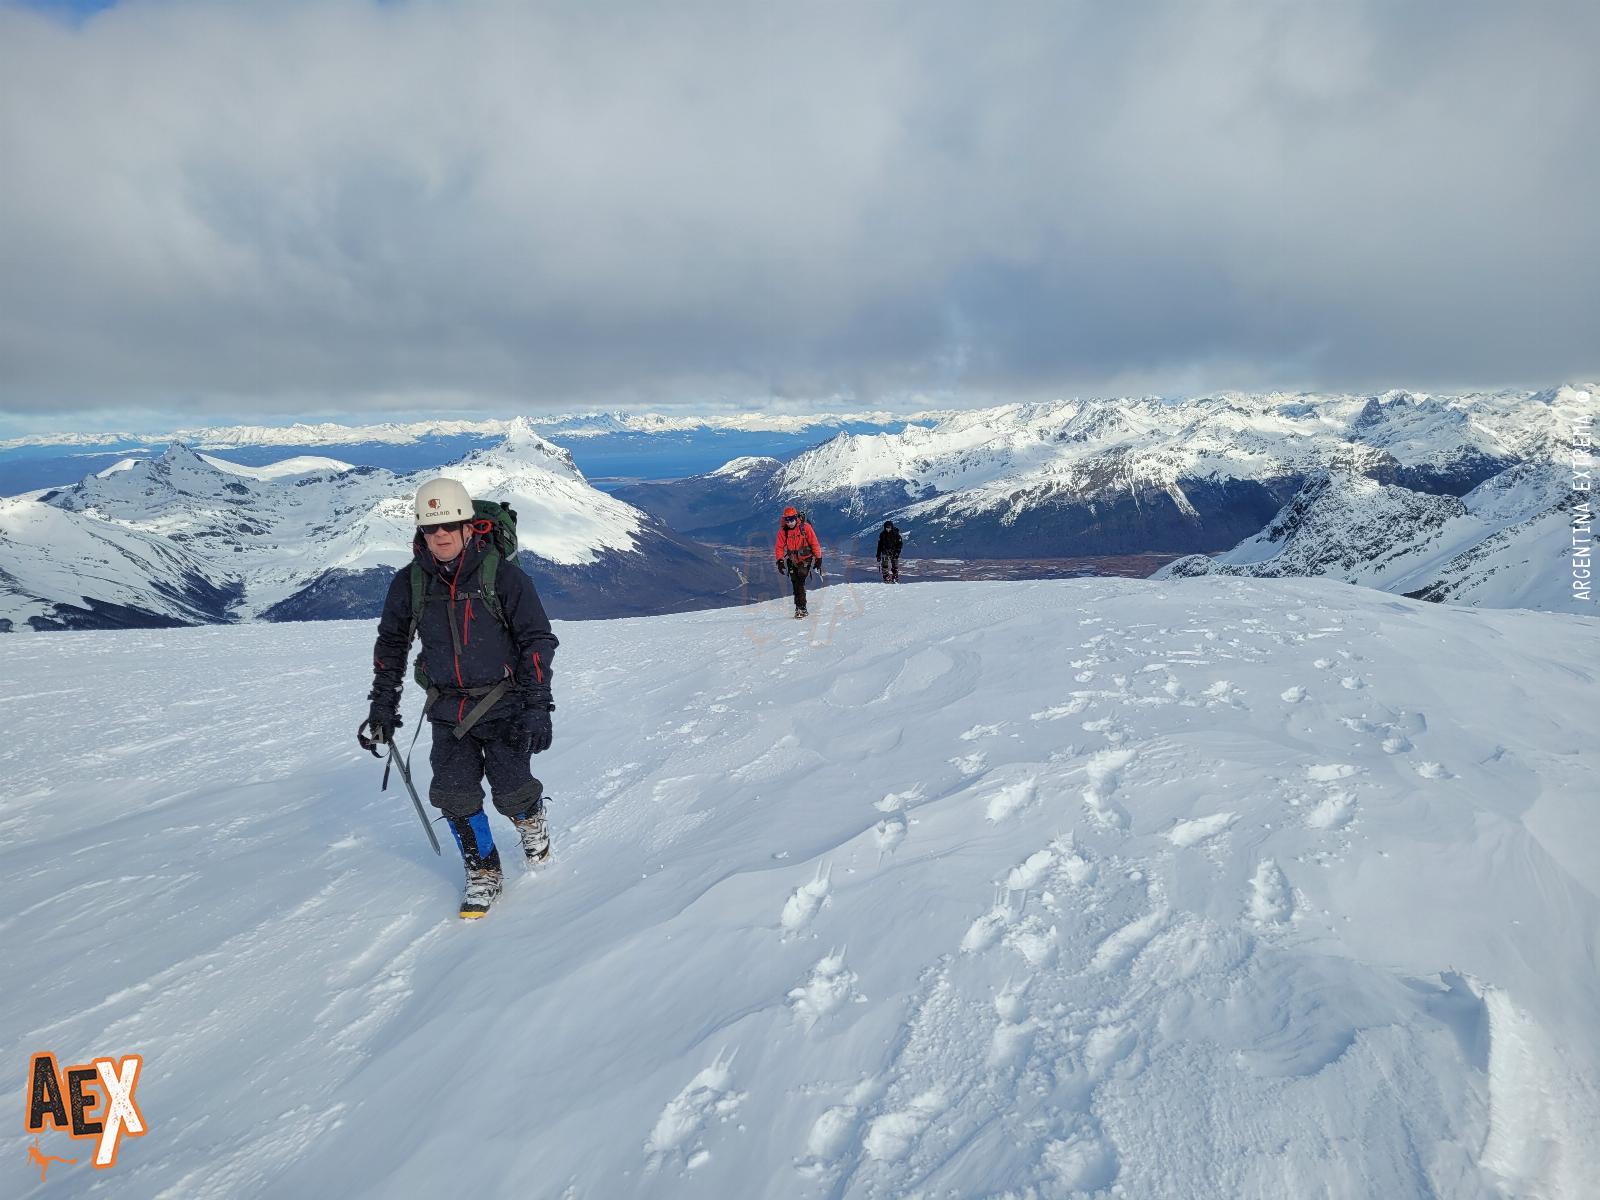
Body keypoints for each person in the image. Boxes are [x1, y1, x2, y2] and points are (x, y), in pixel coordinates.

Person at [364, 478, 559, 919]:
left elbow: (535, 640)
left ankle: (531, 824)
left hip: (504, 701)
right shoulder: (410, 584)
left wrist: (537, 705)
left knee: (511, 790)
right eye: (432, 529)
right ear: (421, 533)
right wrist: (382, 704)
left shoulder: (504, 577)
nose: (442, 535)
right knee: (454, 794)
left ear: (470, 526)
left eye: (450, 525)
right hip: (447, 709)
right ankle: (484, 870)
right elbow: (392, 645)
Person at [774, 505, 823, 618]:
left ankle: (801, 608)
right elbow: (779, 547)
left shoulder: (805, 528)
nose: (789, 522)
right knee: (795, 583)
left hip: (805, 559)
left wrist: (818, 558)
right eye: (787, 519)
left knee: (800, 581)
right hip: (792, 559)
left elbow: (814, 543)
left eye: (791, 519)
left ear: (796, 517)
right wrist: (780, 561)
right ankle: (799, 607)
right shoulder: (783, 531)